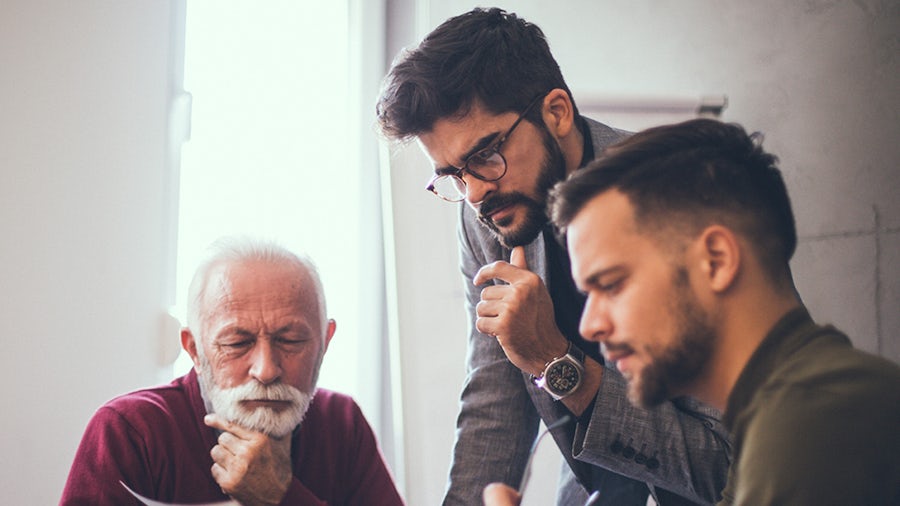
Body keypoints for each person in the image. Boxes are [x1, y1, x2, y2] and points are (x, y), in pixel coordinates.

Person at [376, 7, 729, 506]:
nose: (474, 192)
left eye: (485, 154)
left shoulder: (685, 203)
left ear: (557, 112)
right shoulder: (490, 213)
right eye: (454, 174)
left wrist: (553, 360)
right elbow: (494, 398)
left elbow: (728, 468)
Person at [536, 118, 900, 505]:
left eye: (611, 285)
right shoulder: (772, 422)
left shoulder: (810, 427)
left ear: (716, 259)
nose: (591, 326)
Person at [61, 238, 404, 505]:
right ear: (194, 348)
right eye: (237, 343)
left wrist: (283, 499)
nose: (266, 370)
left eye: (291, 340)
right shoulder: (132, 432)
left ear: (325, 342)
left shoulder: (341, 423)